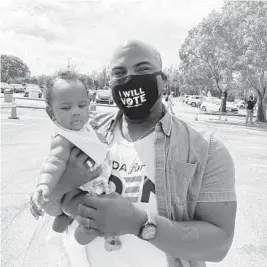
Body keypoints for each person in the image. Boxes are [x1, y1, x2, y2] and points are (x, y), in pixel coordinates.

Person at [49, 40, 237, 267]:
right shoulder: (85, 135)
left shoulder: (204, 148)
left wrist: (139, 223)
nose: (130, 79)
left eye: (143, 69)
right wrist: (64, 184)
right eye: (119, 73)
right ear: (110, 85)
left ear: (163, 82)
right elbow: (49, 208)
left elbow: (219, 245)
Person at [30, 71, 112, 245]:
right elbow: (53, 163)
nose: (76, 112)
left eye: (82, 105)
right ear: (51, 113)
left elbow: (91, 137)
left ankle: (62, 222)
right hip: (75, 191)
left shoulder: (85, 128)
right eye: (66, 108)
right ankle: (84, 231)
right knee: (83, 206)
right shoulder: (63, 138)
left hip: (94, 182)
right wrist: (44, 185)